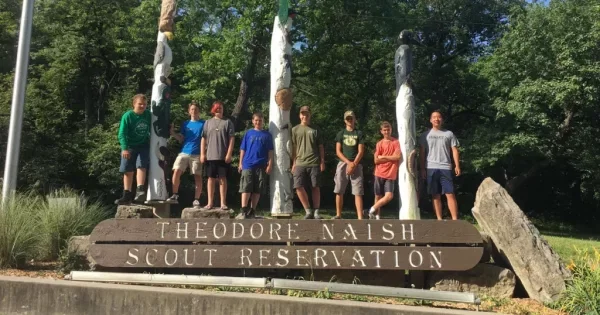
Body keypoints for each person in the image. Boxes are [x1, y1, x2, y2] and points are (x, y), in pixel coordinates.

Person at [419, 110, 461, 220]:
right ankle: (439, 219)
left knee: (450, 193)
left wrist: (457, 165)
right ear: (430, 120)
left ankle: (455, 219)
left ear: (442, 119)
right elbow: (422, 153)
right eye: (434, 117)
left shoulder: (449, 134)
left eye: (439, 117)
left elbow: (454, 150)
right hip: (431, 167)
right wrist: (422, 169)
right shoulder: (425, 135)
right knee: (435, 194)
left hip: (445, 167)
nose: (436, 119)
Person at [166, 100, 205, 207]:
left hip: (197, 153)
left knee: (197, 176)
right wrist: (173, 133)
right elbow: (181, 138)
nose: (194, 111)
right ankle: (174, 194)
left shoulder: (203, 123)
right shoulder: (185, 124)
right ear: (189, 111)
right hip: (184, 151)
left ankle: (196, 199)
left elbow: (205, 139)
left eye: (196, 109)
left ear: (199, 111)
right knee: (176, 171)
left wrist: (203, 153)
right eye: (192, 109)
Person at [115, 94, 151, 205]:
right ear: (134, 104)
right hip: (129, 145)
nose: (142, 106)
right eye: (140, 104)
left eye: (144, 104)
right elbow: (122, 133)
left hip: (143, 144)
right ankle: (127, 194)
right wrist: (124, 148)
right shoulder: (128, 116)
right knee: (127, 169)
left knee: (141, 165)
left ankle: (140, 190)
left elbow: (157, 123)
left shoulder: (148, 115)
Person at [237, 113, 273, 218]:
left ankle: (253, 210)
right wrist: (240, 163)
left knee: (258, 189)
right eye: (256, 120)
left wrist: (270, 164)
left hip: (261, 164)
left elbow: (270, 151)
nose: (258, 122)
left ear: (263, 121)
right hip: (248, 164)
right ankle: (244, 209)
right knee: (246, 187)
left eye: (260, 120)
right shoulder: (249, 133)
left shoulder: (267, 135)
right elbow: (243, 149)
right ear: (253, 121)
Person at [291, 106, 325, 219]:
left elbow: (320, 147)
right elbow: (294, 147)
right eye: (302, 114)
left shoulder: (315, 129)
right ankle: (308, 210)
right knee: (298, 186)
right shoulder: (295, 130)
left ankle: (316, 211)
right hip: (299, 162)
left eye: (306, 114)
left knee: (315, 186)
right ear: (300, 115)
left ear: (310, 115)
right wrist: (294, 163)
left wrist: (322, 161)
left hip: (314, 162)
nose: (304, 116)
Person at [200, 101, 235, 210]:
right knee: (210, 179)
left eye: (221, 108)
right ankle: (210, 203)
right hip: (210, 155)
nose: (219, 110)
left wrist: (229, 154)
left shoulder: (228, 122)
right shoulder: (207, 122)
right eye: (217, 108)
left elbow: (232, 139)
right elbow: (203, 139)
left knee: (222, 179)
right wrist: (202, 154)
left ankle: (223, 203)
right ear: (213, 109)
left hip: (223, 156)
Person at [333, 111, 365, 219]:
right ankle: (338, 214)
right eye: (348, 119)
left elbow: (361, 151)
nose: (350, 120)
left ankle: (360, 217)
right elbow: (338, 151)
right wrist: (348, 163)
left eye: (352, 118)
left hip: (356, 163)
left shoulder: (359, 133)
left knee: (358, 191)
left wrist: (354, 164)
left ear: (355, 119)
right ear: (344, 120)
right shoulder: (340, 133)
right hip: (343, 163)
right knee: (339, 189)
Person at [368, 121, 401, 219]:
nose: (387, 132)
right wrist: (387, 157)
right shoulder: (379, 144)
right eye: (385, 130)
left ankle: (372, 209)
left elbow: (397, 157)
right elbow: (376, 160)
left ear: (391, 130)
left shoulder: (396, 142)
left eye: (388, 130)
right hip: (379, 172)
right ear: (381, 131)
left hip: (390, 174)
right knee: (378, 195)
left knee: (389, 196)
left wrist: (383, 157)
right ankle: (377, 216)